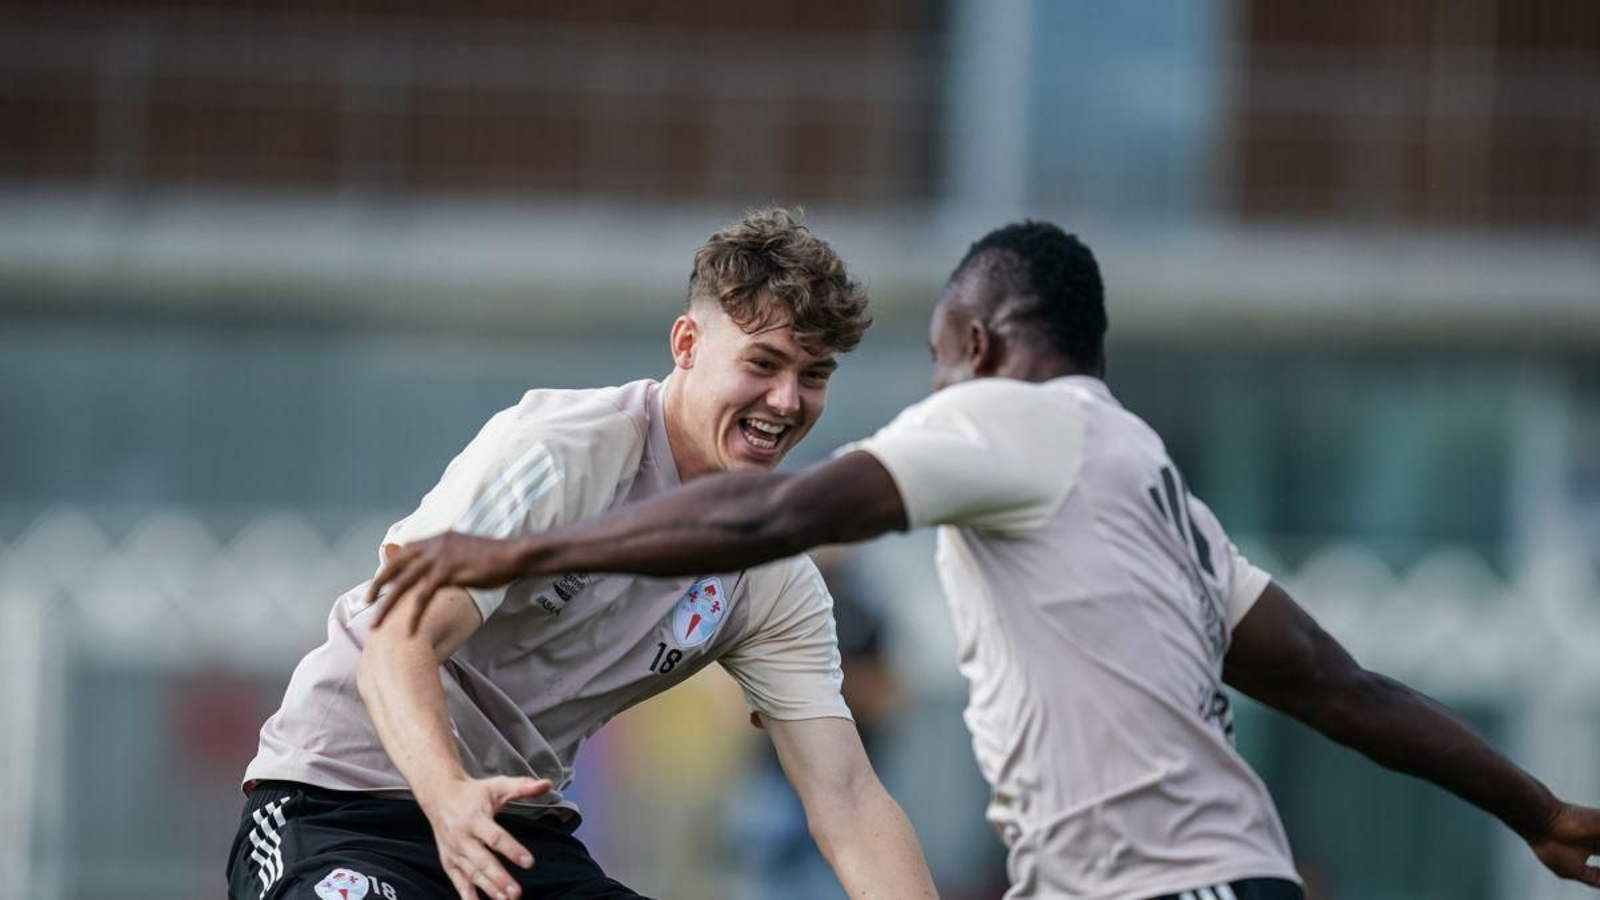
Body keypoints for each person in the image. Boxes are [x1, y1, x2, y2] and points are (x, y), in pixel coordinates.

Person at [372, 222, 1600, 900]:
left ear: (973, 339)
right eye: (768, 367)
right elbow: (1345, 689)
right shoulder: (1156, 488)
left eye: (926, 360)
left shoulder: (1004, 418)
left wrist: (521, 547)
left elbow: (770, 520)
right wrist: (1534, 810)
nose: (806, 401)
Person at [229, 208, 938, 900]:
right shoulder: (560, 451)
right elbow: (397, 640)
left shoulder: (776, 578)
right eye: (763, 363)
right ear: (686, 345)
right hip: (339, 806)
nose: (786, 401)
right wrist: (447, 797)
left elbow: (847, 797)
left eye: (813, 375)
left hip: (516, 833)